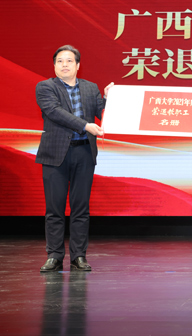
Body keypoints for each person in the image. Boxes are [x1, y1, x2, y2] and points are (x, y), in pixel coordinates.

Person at [36, 45, 114, 272]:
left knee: (81, 208)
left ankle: (79, 256)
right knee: (55, 208)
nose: (64, 65)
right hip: (55, 154)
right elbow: (55, 112)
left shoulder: (91, 88)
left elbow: (104, 114)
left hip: (84, 153)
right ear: (54, 65)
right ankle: (54, 255)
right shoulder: (45, 87)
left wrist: (109, 99)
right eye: (60, 61)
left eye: (69, 61)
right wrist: (86, 126)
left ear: (78, 65)